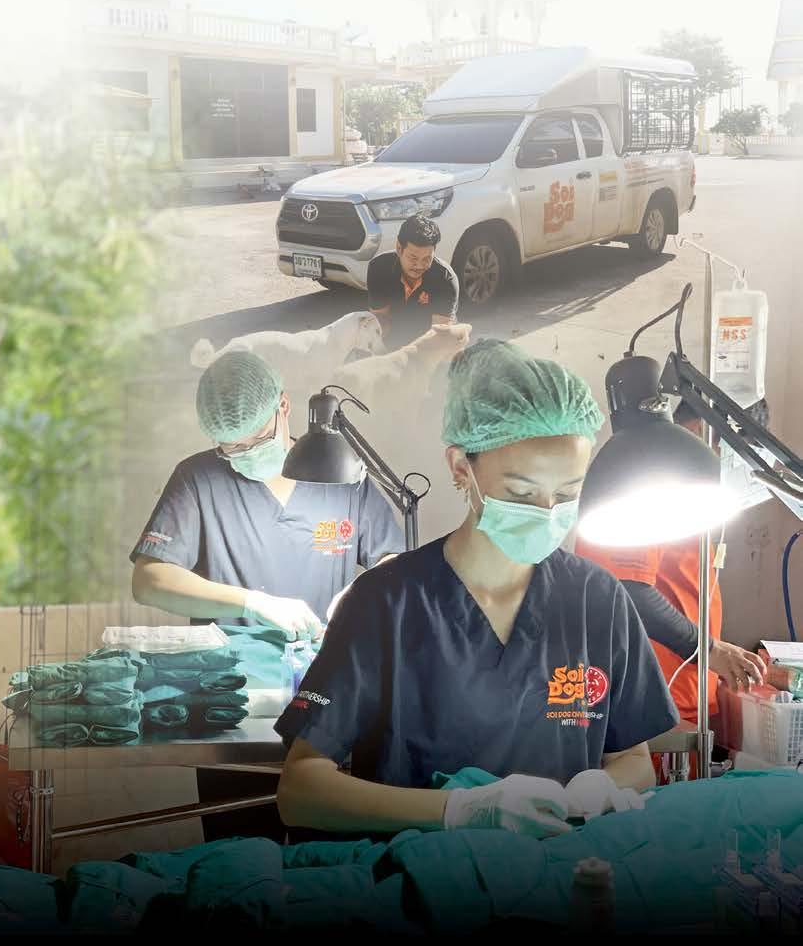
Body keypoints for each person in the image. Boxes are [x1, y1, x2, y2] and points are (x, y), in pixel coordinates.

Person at [275, 339, 679, 841]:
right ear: (460, 468)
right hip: (420, 876)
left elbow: (634, 760)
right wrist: (461, 810)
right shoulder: (385, 602)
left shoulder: (597, 599)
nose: (547, 512)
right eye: (521, 492)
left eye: (567, 493)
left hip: (560, 874)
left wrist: (598, 789)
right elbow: (301, 790)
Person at [131, 348, 413, 839]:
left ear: (284, 406)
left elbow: (394, 562)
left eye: (256, 440)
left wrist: (361, 593)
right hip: (233, 704)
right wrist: (252, 602)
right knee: (239, 860)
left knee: (328, 859)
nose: (244, 455)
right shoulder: (199, 478)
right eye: (231, 448)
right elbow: (149, 579)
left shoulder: (340, 474)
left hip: (328, 697)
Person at [576, 398, 767, 729]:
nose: (732, 473)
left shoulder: (690, 491)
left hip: (686, 692)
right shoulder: (647, 482)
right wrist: (708, 649)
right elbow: (627, 589)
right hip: (651, 699)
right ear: (703, 430)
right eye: (735, 458)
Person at [366, 215, 459, 352]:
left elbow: (439, 334)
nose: (419, 265)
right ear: (399, 248)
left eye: (427, 259)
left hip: (430, 344)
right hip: (394, 338)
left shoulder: (445, 279)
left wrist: (409, 355)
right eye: (413, 258)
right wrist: (373, 341)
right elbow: (381, 317)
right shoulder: (379, 268)